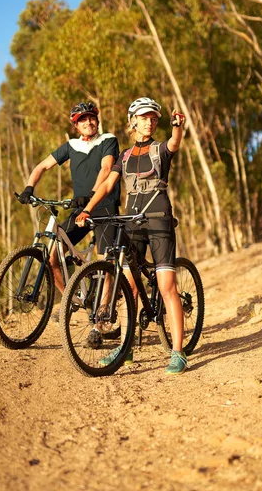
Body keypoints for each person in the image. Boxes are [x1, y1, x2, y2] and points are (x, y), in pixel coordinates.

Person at [76, 97, 188, 375]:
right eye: (144, 117)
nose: (149, 121)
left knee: (166, 287)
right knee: (129, 289)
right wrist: (87, 209)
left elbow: (174, 143)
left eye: (153, 118)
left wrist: (178, 127)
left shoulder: (160, 149)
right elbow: (107, 184)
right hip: (132, 224)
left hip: (159, 222)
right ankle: (125, 349)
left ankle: (178, 352)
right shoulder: (124, 156)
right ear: (133, 121)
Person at [18, 101, 120, 346]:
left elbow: (106, 168)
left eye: (91, 118)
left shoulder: (108, 140)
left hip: (103, 207)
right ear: (76, 125)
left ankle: (101, 321)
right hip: (79, 211)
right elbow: (42, 166)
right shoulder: (71, 146)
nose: (88, 122)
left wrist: (92, 194)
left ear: (97, 119)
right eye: (82, 120)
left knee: (106, 261)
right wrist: (29, 187)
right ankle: (75, 300)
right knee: (53, 258)